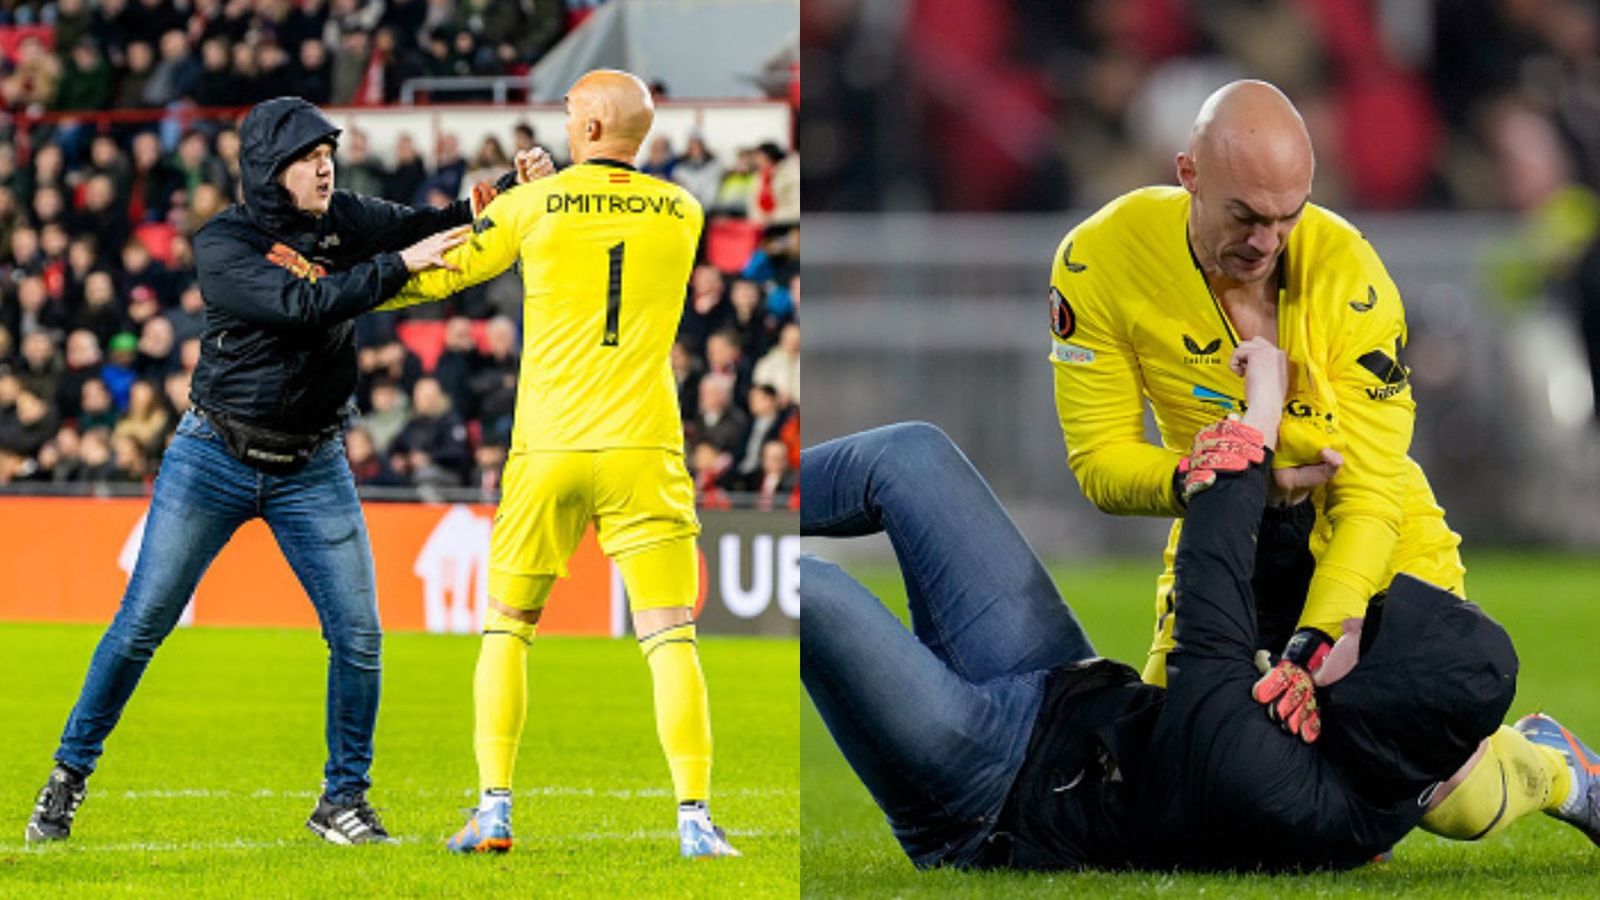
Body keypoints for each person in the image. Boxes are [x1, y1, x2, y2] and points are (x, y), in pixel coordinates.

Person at [803, 339, 1600, 872]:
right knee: (909, 454)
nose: (1354, 613)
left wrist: (1257, 412)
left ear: (1375, 700)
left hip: (988, 796)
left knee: (811, 588)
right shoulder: (1369, 741)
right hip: (1062, 685)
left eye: (1373, 633)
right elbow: (1423, 747)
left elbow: (1211, 574)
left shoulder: (1268, 780)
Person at [1044, 80, 1562, 840]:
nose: (1266, 241)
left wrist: (1318, 639)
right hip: (1236, 545)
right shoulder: (1099, 262)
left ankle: (1550, 766)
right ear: (1188, 174)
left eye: (1288, 217)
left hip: (1373, 545)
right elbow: (1099, 461)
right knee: (1178, 771)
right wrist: (1207, 480)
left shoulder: (1353, 278)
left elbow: (1374, 491)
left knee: (1453, 803)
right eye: (1245, 217)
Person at [24, 96, 522, 847]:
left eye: (328, 151)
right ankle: (66, 778)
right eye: (306, 155)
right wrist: (395, 267)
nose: (325, 164)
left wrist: (512, 190)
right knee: (139, 627)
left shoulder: (343, 216)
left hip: (312, 462)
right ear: (268, 169)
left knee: (358, 637)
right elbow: (303, 303)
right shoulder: (222, 243)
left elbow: (434, 222)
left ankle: (342, 802)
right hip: (213, 455)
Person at [380, 69, 737, 858]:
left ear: (590, 128)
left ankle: (495, 810)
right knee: (671, 637)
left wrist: (356, 293)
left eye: (573, 112)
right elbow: (607, 214)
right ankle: (695, 821)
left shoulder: (530, 206)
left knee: (507, 628)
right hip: (643, 445)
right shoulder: (685, 210)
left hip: (548, 447)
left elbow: (444, 272)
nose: (567, 120)